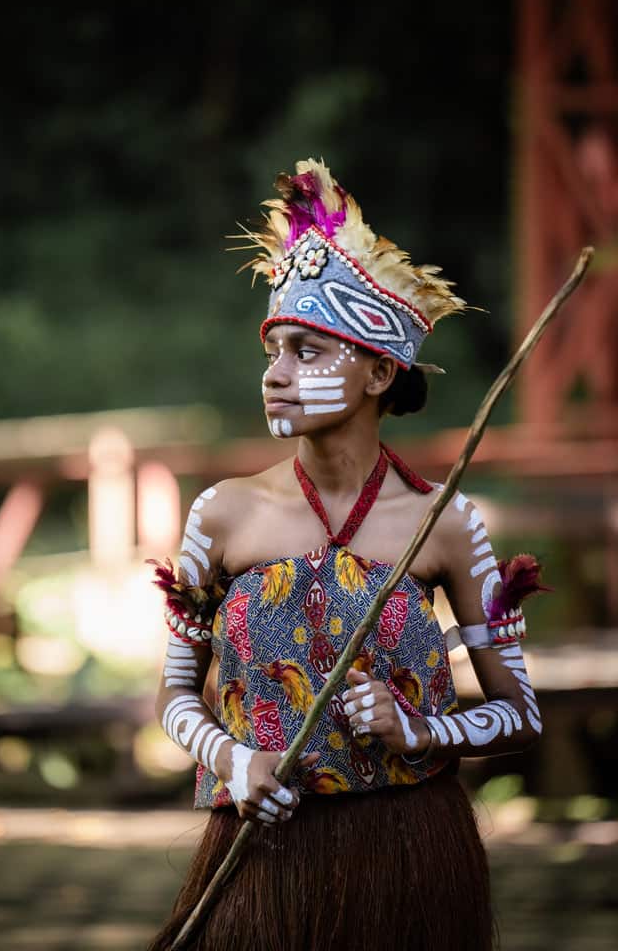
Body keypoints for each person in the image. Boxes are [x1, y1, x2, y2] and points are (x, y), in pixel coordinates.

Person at [148, 159, 545, 951]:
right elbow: (171, 696)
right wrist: (232, 760)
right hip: (265, 855)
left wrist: (421, 731)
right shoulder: (220, 515)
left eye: (305, 352)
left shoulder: (447, 522)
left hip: (409, 857)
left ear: (379, 371)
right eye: (272, 351)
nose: (274, 374)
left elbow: (520, 713)